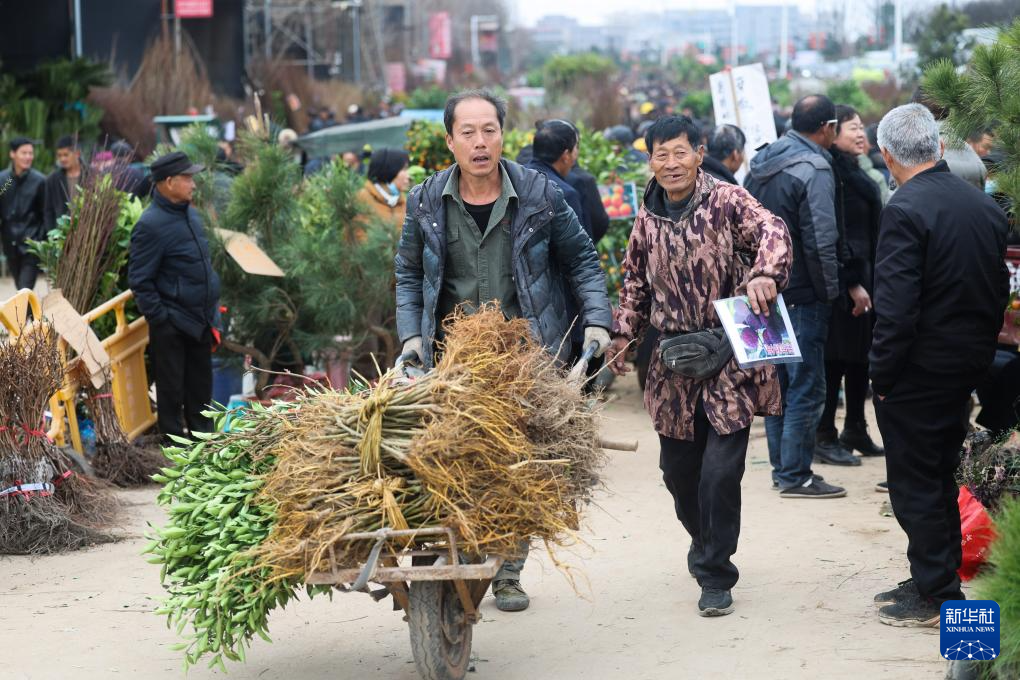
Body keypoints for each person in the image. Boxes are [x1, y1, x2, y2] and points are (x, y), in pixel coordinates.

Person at [395, 90, 612, 613]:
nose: (479, 141)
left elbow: (582, 260)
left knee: (520, 464)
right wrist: (411, 337)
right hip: (452, 359)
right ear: (449, 140)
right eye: (467, 132)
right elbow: (407, 272)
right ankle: (463, 556)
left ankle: (508, 568)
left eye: (488, 129)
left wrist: (599, 324)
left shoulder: (538, 193)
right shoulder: (426, 200)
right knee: (457, 460)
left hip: (525, 354)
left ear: (502, 135)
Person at [605, 115, 791, 617]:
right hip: (672, 363)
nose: (671, 164)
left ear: (699, 153)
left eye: (679, 152)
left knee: (719, 472)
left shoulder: (727, 201)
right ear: (650, 161)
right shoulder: (646, 216)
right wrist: (624, 332)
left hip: (730, 354)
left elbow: (774, 230)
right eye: (660, 155)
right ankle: (704, 540)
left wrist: (764, 275)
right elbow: (635, 283)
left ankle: (715, 573)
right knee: (678, 474)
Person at [870, 103, 1009, 626]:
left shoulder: (906, 209)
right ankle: (933, 574)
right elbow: (998, 290)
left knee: (916, 483)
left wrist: (882, 374)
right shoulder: (984, 207)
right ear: (940, 146)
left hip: (917, 370)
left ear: (887, 156)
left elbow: (896, 309)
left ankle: (939, 596)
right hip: (967, 362)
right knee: (939, 475)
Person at [744, 95, 848, 499]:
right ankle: (796, 475)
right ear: (827, 127)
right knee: (807, 385)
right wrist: (830, 292)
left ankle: (782, 469)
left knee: (776, 384)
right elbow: (823, 239)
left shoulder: (760, 164)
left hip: (764, 291)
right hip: (804, 293)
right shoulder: (815, 167)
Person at [128, 152, 221, 442]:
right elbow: (140, 280)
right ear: (168, 182)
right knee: (171, 390)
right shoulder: (150, 225)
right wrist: (161, 319)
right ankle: (173, 448)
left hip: (201, 320)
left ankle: (202, 446)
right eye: (187, 178)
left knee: (201, 390)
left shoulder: (191, 215)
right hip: (172, 324)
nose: (193, 184)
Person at [815, 105, 884, 466]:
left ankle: (855, 426)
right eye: (852, 128)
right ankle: (824, 432)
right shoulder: (830, 171)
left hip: (864, 276)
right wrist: (852, 280)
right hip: (843, 278)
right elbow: (836, 231)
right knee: (835, 360)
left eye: (862, 128)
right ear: (832, 132)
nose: (860, 134)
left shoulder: (854, 168)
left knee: (859, 358)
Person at [0, 137, 46, 290]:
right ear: (12, 154)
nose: (28, 157)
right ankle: (29, 314)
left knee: (24, 288)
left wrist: (39, 239)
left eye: (31, 153)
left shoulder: (39, 181)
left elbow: (45, 212)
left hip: (31, 245)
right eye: (24, 153)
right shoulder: (5, 181)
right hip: (10, 244)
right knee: (20, 287)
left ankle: (25, 314)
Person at [525, 120, 586, 232]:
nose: (577, 153)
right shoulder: (565, 194)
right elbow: (577, 246)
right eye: (576, 147)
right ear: (566, 155)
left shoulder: (515, 178)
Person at [357, 147, 410, 235]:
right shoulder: (362, 200)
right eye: (404, 169)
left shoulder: (403, 202)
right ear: (390, 169)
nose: (408, 176)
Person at [44, 135, 85, 234]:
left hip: (86, 233)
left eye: (66, 155)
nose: (62, 159)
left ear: (77, 154)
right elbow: (48, 211)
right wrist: (52, 234)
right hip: (61, 234)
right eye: (59, 155)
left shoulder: (92, 175)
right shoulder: (52, 179)